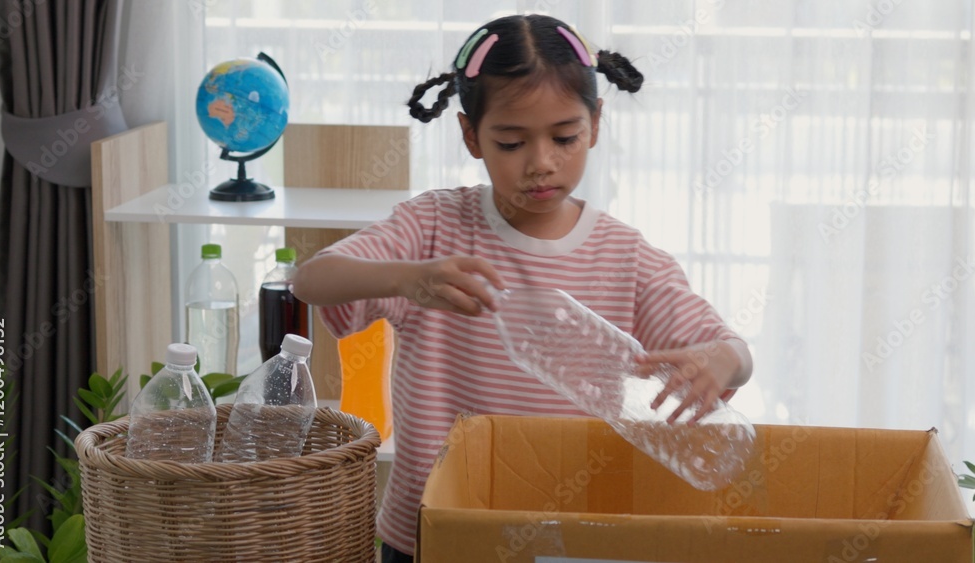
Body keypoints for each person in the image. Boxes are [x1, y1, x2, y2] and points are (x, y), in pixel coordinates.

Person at [293, 13, 753, 563]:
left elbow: (732, 351)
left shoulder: (624, 257)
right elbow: (312, 279)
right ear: (472, 136)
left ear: (595, 124)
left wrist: (723, 360)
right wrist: (410, 278)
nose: (542, 163)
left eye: (565, 138)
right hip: (434, 534)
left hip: (569, 541)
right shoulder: (433, 228)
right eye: (511, 142)